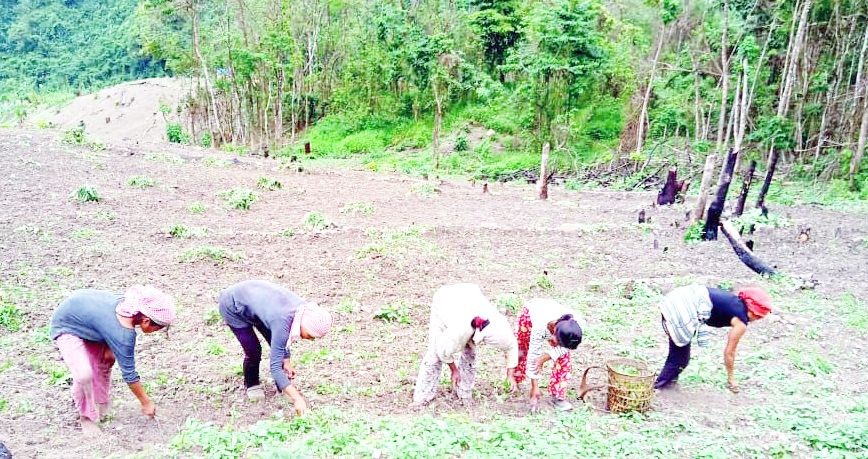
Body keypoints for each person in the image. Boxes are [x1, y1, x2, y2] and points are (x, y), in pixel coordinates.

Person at [49, 285, 176, 436]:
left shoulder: (129, 309)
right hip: (67, 324)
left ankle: (99, 401)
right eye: (158, 328)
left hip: (91, 322)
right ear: (146, 320)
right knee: (83, 374)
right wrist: (146, 402)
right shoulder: (123, 334)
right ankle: (86, 417)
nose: (157, 332)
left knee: (107, 357)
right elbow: (129, 374)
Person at [218, 280, 332, 416]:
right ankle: (252, 384)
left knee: (274, 339)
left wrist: (287, 360)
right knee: (253, 350)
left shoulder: (301, 311)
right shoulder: (283, 319)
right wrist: (297, 398)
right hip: (233, 305)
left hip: (258, 307)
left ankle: (282, 386)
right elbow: (275, 366)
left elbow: (280, 338)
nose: (311, 339)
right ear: (304, 323)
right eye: (311, 335)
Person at [412, 283, 519, 406]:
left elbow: (512, 346)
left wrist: (510, 375)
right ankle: (422, 398)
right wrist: (454, 370)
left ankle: (464, 393)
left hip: (470, 295)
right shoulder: (457, 331)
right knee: (434, 354)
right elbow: (442, 350)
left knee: (470, 353)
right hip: (445, 301)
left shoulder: (499, 329)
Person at [654, 285, 772, 393]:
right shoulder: (741, 322)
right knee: (680, 359)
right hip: (682, 308)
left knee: (679, 353)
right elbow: (729, 353)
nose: (756, 319)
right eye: (757, 315)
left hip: (677, 298)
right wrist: (731, 379)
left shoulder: (734, 302)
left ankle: (669, 382)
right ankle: (657, 387)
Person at [513, 299, 583, 412]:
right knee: (522, 348)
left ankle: (558, 395)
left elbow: (566, 348)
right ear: (553, 332)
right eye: (557, 342)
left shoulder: (577, 327)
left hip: (554, 325)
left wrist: (546, 356)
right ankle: (514, 381)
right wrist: (534, 386)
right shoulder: (540, 325)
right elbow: (533, 355)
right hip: (529, 316)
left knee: (564, 358)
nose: (555, 345)